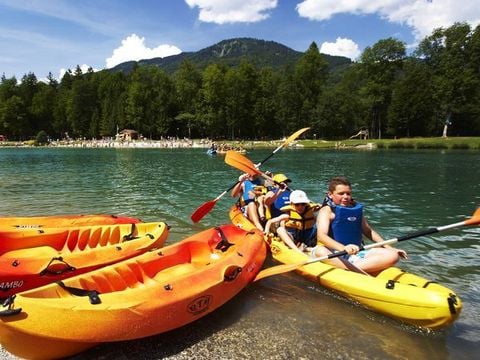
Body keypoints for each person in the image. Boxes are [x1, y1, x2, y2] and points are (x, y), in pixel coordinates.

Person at [315, 176, 407, 274]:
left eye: (348, 193)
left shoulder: (355, 209)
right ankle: (355, 269)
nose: (345, 197)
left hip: (356, 253)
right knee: (320, 251)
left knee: (393, 255)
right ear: (330, 194)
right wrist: (343, 248)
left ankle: (351, 269)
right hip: (334, 253)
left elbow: (368, 231)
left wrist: (390, 248)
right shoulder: (326, 211)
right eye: (341, 194)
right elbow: (321, 236)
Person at [264, 190, 320, 254]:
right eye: (297, 204)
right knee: (280, 229)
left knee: (319, 224)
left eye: (303, 204)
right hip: (293, 239)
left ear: (306, 204)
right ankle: (298, 250)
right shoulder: (288, 215)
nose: (300, 207)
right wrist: (266, 231)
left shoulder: (311, 213)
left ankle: (308, 248)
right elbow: (270, 221)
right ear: (292, 204)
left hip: (307, 238)